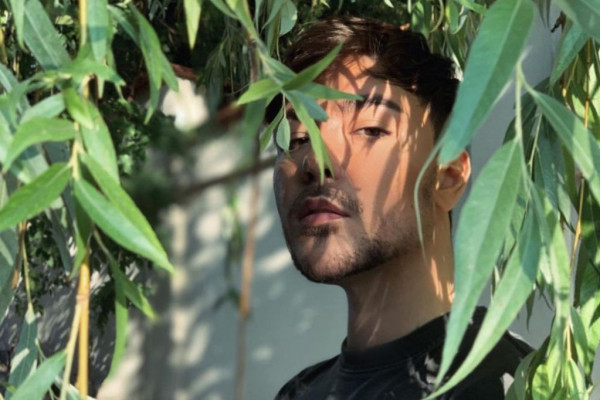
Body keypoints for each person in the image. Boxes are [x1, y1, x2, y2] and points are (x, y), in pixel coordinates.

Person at [268, 17, 532, 400]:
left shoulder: (506, 385)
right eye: (297, 138)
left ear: (447, 176)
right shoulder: (299, 392)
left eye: (370, 129)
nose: (313, 160)